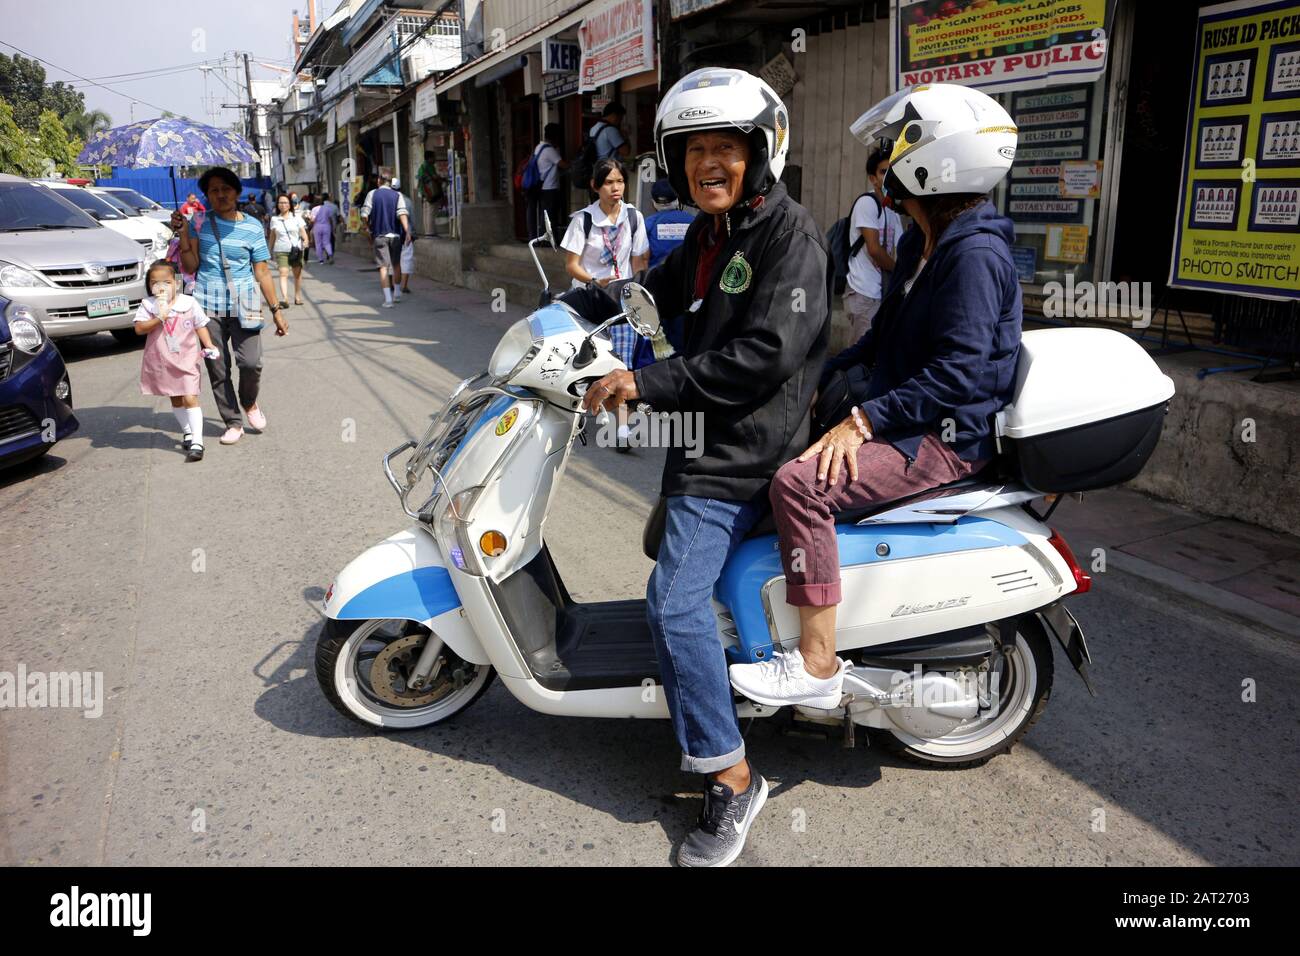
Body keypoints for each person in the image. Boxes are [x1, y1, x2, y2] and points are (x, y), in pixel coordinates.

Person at [579, 68, 828, 866]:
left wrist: (642, 382)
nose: (708, 164)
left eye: (726, 149)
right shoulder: (709, 237)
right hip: (705, 441)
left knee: (672, 603)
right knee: (667, 562)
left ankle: (730, 774)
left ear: (760, 155)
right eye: (694, 151)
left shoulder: (790, 239)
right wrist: (574, 307)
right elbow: (652, 292)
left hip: (744, 452)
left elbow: (763, 357)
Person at [727, 85, 1023, 719]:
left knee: (800, 487)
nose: (888, 159)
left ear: (942, 161)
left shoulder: (975, 254)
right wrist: (804, 385)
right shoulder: (922, 244)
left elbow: (958, 375)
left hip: (941, 439)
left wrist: (861, 423)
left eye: (902, 146)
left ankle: (816, 664)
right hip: (905, 415)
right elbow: (877, 342)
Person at [170, 166, 288, 446]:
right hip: (207, 305)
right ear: (207, 195)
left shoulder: (252, 226)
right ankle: (232, 421)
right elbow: (190, 266)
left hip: (246, 301)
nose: (220, 194)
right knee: (218, 368)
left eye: (225, 189)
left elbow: (261, 270)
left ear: (236, 191)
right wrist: (183, 234)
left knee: (251, 363)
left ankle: (249, 402)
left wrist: (276, 310)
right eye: (213, 190)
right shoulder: (198, 221)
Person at [562, 157, 649, 451]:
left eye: (620, 181)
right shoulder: (583, 220)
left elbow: (639, 261)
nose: (616, 188)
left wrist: (637, 288)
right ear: (595, 186)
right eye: (609, 182)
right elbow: (572, 265)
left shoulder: (634, 217)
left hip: (621, 303)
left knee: (622, 363)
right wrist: (595, 281)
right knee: (587, 363)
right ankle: (584, 411)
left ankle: (622, 432)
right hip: (588, 302)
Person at [134, 260, 221, 462]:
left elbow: (200, 325)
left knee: (190, 397)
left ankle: (197, 443)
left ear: (177, 282)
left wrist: (208, 345)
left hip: (187, 359)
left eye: (166, 282)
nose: (161, 287)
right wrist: (159, 318)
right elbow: (139, 329)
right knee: (174, 397)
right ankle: (188, 431)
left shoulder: (189, 303)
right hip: (162, 360)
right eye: (155, 283)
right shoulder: (148, 305)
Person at [843, 148, 903, 341]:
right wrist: (898, 271)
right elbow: (875, 250)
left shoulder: (891, 209)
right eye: (883, 172)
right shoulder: (867, 204)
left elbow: (899, 247)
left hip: (881, 290)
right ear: (873, 178)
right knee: (862, 359)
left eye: (891, 171)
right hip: (864, 291)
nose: (888, 177)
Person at [360, 172, 413, 308]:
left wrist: (366, 227)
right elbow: (402, 214)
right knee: (396, 264)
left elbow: (364, 214)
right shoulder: (398, 195)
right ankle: (397, 293)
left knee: (383, 267)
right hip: (395, 236)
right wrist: (407, 231)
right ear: (390, 182)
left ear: (379, 181)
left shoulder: (372, 194)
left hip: (379, 235)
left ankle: (388, 300)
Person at [526, 123, 567, 241]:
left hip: (541, 187)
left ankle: (542, 238)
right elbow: (563, 165)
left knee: (544, 215)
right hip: (549, 188)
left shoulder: (539, 147)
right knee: (550, 216)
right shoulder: (549, 150)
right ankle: (548, 241)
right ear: (556, 136)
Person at [267, 193, 309, 309]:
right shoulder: (275, 219)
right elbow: (272, 236)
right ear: (277, 205)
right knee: (283, 273)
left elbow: (303, 233)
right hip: (281, 249)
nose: (283, 205)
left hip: (296, 249)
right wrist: (269, 250)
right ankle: (285, 298)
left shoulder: (296, 218)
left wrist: (306, 241)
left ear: (290, 204)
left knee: (297, 274)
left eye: (285, 202)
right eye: (280, 202)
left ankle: (297, 296)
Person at [643, 177, 694, 269]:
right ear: (677, 199)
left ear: (653, 202)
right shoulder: (693, 221)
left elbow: (643, 257)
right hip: (688, 277)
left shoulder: (648, 223)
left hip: (656, 277)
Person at [416, 150, 445, 237]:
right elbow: (434, 177)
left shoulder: (421, 166)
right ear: (429, 158)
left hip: (423, 192)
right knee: (431, 212)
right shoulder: (429, 166)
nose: (435, 159)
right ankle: (431, 233)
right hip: (430, 192)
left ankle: (427, 232)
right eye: (433, 157)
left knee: (426, 212)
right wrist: (443, 179)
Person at [312, 192, 338, 264]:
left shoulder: (314, 209)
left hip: (317, 226)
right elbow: (330, 219)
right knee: (327, 242)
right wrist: (332, 228)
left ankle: (321, 260)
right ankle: (330, 254)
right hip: (327, 226)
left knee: (318, 243)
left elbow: (312, 220)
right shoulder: (327, 208)